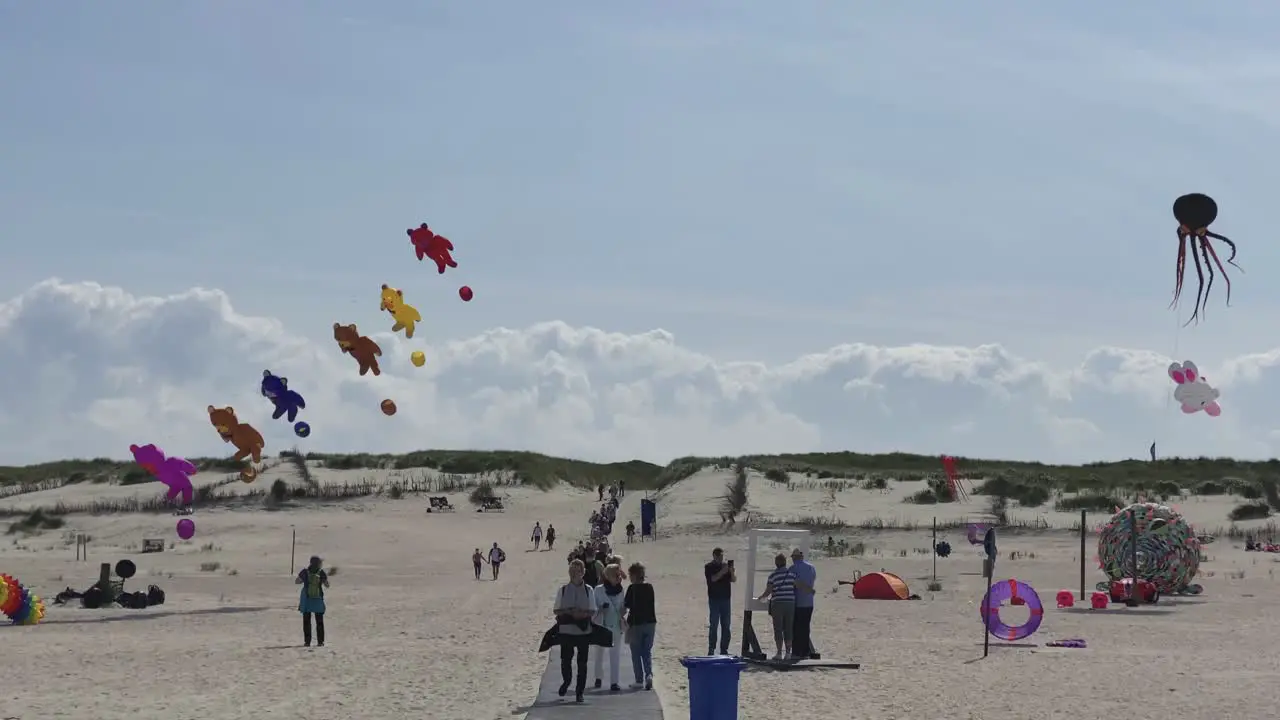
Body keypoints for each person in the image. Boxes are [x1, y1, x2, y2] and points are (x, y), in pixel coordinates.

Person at [553, 559, 597, 703]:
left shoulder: (588, 590)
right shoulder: (563, 590)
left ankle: (580, 692)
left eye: (578, 571)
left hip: (583, 631)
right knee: (565, 661)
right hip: (566, 630)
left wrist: (582, 614)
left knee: (582, 663)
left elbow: (593, 610)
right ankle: (566, 682)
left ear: (583, 573)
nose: (575, 574)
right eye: (572, 571)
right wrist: (569, 612)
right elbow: (556, 610)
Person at [622, 561, 656, 690]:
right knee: (646, 651)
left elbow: (626, 607)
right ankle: (649, 675)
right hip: (651, 623)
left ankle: (639, 679)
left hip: (636, 623)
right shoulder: (649, 587)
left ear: (634, 575)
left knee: (636, 652)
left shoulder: (632, 589)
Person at [592, 564, 626, 691]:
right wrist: (600, 609)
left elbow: (623, 605)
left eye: (619, 575)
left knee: (615, 654)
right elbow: (593, 608)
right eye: (616, 575)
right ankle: (598, 677)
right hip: (601, 625)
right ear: (609, 576)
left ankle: (614, 682)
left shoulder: (621, 590)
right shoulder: (598, 590)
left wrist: (623, 611)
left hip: (616, 625)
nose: (619, 577)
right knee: (599, 653)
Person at [757, 553, 796, 660]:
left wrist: (761, 597)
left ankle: (779, 653)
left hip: (778, 603)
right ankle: (788, 653)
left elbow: (768, 591)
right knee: (788, 628)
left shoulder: (773, 575)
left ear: (776, 563)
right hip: (790, 603)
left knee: (778, 629)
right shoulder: (792, 574)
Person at [704, 547, 735, 655]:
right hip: (714, 600)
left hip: (726, 599)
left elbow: (733, 580)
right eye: (719, 556)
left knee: (726, 625)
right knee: (714, 625)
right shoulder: (709, 567)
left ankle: (724, 649)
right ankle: (711, 648)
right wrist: (723, 571)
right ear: (714, 556)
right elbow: (713, 579)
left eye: (722, 556)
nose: (721, 558)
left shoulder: (725, 566)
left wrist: (731, 572)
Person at [295, 555, 329, 647]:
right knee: (319, 621)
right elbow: (327, 585)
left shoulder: (305, 572)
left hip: (307, 599)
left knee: (306, 621)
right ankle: (320, 641)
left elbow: (297, 581)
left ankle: (307, 641)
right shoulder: (321, 572)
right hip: (318, 599)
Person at [790, 548, 817, 658]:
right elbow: (813, 580)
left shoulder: (792, 568)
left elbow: (795, 583)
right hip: (809, 602)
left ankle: (796, 652)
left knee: (796, 628)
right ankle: (805, 651)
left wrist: (806, 589)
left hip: (798, 601)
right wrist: (810, 590)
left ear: (795, 557)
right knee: (806, 628)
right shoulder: (811, 567)